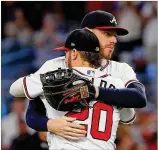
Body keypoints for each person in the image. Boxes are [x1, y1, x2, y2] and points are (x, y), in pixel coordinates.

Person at [10, 10, 147, 139]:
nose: (114, 40)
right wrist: (49, 124)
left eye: (114, 35)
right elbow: (32, 111)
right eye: (107, 34)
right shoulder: (56, 65)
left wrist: (93, 91)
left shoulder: (120, 69)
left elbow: (139, 98)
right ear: (88, 33)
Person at [17, 29, 136, 149]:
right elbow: (128, 119)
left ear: (74, 53)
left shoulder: (56, 80)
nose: (65, 57)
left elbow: (33, 120)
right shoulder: (115, 84)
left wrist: (49, 124)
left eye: (66, 53)